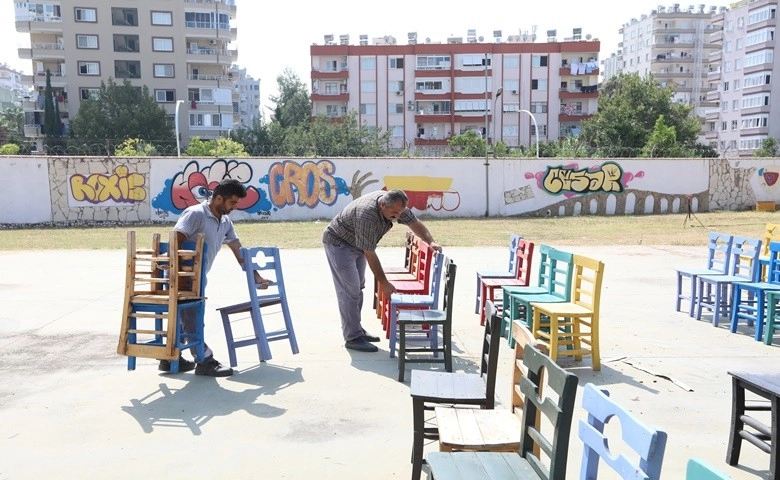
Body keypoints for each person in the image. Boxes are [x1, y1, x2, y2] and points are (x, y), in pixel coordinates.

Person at [160, 178, 269, 376]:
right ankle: (204, 360)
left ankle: (169, 358)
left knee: (187, 318)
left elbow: (239, 251)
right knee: (193, 318)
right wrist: (178, 274)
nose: (235, 207)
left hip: (200, 278)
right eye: (232, 203)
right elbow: (175, 239)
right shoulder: (196, 214)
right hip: (181, 277)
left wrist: (256, 276)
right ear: (219, 198)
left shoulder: (225, 221)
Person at [323, 189, 441, 353]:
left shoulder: (395, 205)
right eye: (394, 212)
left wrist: (430, 241)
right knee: (349, 291)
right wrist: (384, 283)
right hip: (340, 244)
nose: (397, 216)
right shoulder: (367, 215)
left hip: (357, 246)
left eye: (400, 212)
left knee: (358, 288)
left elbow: (414, 222)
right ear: (382, 204)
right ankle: (352, 337)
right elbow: (369, 252)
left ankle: (356, 330)